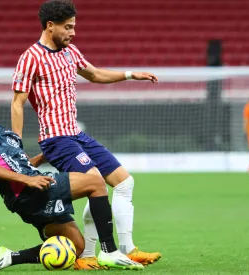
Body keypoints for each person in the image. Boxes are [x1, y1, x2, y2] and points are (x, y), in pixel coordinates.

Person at [11, 0, 161, 268]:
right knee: (96, 183)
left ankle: (126, 249)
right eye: (68, 27)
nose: (73, 33)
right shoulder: (30, 57)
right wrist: (16, 146)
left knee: (124, 182)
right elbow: (17, 103)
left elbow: (93, 74)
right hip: (56, 139)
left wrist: (130, 74)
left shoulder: (70, 52)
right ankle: (107, 251)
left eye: (74, 27)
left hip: (76, 135)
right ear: (50, 26)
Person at [0, 82, 144, 272]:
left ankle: (10, 257)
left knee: (77, 247)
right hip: (28, 190)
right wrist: (28, 179)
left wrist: (44, 156)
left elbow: (19, 163)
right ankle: (109, 251)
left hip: (29, 190)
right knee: (95, 182)